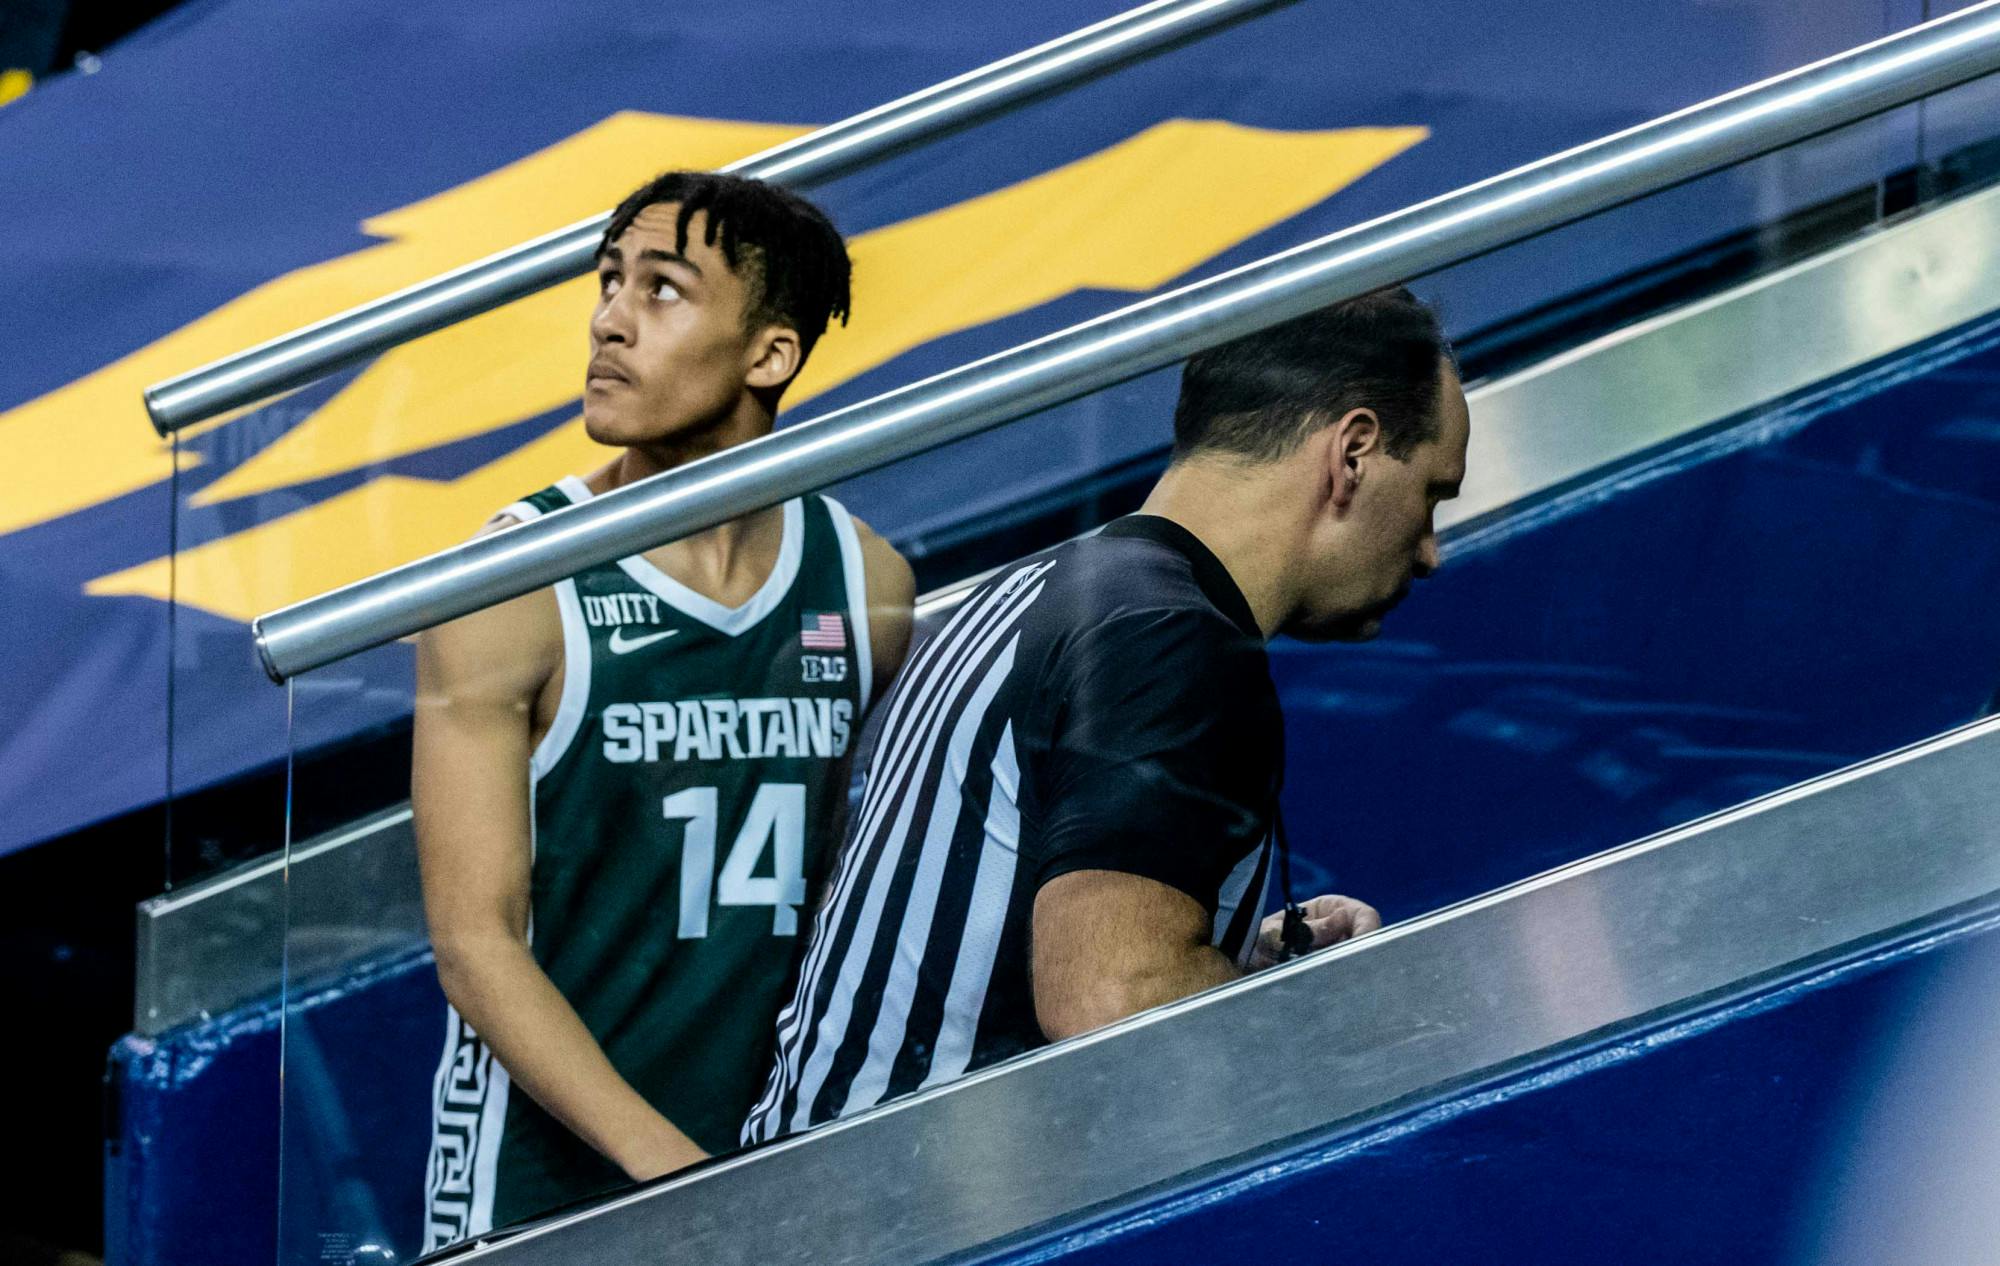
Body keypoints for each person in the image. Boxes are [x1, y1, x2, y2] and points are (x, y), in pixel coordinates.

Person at [743, 286, 1468, 1144]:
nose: (1428, 551)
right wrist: (1329, 1027)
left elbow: (999, 941)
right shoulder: (1171, 639)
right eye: (1431, 496)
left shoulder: (1028, 593)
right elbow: (1109, 999)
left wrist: (1233, 961)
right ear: (1352, 454)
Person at [414, 170, 914, 1246]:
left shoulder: (863, 584)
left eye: (662, 290)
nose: (607, 321)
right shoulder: (511, 582)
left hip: (779, 1157)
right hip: (541, 1187)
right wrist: (674, 1171)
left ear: (769, 354)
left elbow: (875, 881)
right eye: (607, 283)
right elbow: (472, 943)